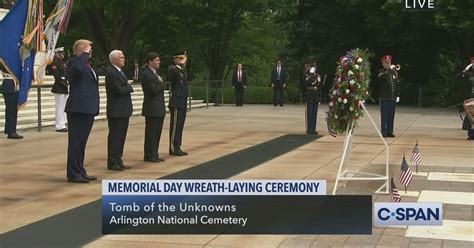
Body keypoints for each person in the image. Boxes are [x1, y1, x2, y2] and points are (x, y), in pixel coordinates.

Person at [65, 39, 99, 183]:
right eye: (88, 50)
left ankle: (80, 169)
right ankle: (73, 173)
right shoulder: (74, 62)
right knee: (75, 142)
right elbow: (76, 71)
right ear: (80, 50)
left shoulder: (86, 65)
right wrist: (83, 55)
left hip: (87, 108)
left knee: (81, 143)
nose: (90, 52)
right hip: (78, 109)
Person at [105, 50, 134, 171]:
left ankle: (118, 159)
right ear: (115, 59)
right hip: (116, 110)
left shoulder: (120, 71)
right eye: (121, 58)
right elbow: (119, 89)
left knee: (121, 137)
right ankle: (112, 161)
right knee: (115, 137)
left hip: (123, 109)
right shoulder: (111, 72)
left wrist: (126, 85)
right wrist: (129, 86)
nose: (124, 59)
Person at [141, 52, 166, 162]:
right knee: (151, 133)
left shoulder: (155, 74)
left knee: (157, 132)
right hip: (152, 108)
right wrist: (161, 84)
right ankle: (149, 154)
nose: (159, 62)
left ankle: (154, 153)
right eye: (156, 60)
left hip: (158, 108)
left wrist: (160, 83)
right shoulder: (147, 74)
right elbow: (153, 90)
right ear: (150, 62)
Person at [168, 51, 189, 156]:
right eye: (180, 58)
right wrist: (178, 65)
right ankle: (173, 147)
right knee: (175, 126)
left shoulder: (182, 70)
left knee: (180, 126)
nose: (182, 60)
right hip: (176, 101)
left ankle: (178, 146)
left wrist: (183, 66)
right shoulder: (173, 70)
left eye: (183, 58)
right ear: (175, 59)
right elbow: (172, 77)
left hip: (182, 101)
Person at [377, 55, 400, 138]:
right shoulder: (381, 72)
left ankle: (390, 131)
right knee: (384, 115)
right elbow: (381, 78)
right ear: (383, 64)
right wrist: (389, 70)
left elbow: (397, 85)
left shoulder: (395, 72)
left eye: (389, 63)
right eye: (386, 63)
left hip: (392, 98)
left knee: (391, 115)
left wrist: (397, 95)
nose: (388, 64)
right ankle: (384, 132)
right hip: (384, 98)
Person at [48, 47, 69, 132]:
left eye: (63, 53)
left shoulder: (62, 62)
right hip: (59, 87)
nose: (63, 55)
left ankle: (63, 122)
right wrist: (63, 82)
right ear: (56, 53)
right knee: (59, 107)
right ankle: (59, 125)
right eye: (61, 53)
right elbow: (57, 75)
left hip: (65, 87)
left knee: (64, 106)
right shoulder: (54, 62)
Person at [0, 66, 23, 139]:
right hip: (8, 86)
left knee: (12, 110)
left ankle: (11, 130)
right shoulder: (5, 61)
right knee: (11, 110)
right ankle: (11, 132)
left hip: (13, 86)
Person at [302, 63, 321, 135]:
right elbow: (304, 85)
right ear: (309, 68)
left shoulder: (317, 76)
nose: (313, 68)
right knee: (309, 113)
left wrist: (320, 97)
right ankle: (309, 129)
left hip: (316, 95)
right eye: (312, 67)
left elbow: (320, 87)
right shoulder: (306, 75)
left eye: (314, 67)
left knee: (314, 113)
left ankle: (313, 128)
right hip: (309, 95)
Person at [462, 56, 474, 140]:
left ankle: (471, 133)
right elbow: (464, 73)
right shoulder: (469, 68)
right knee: (471, 114)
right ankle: (471, 134)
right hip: (471, 96)